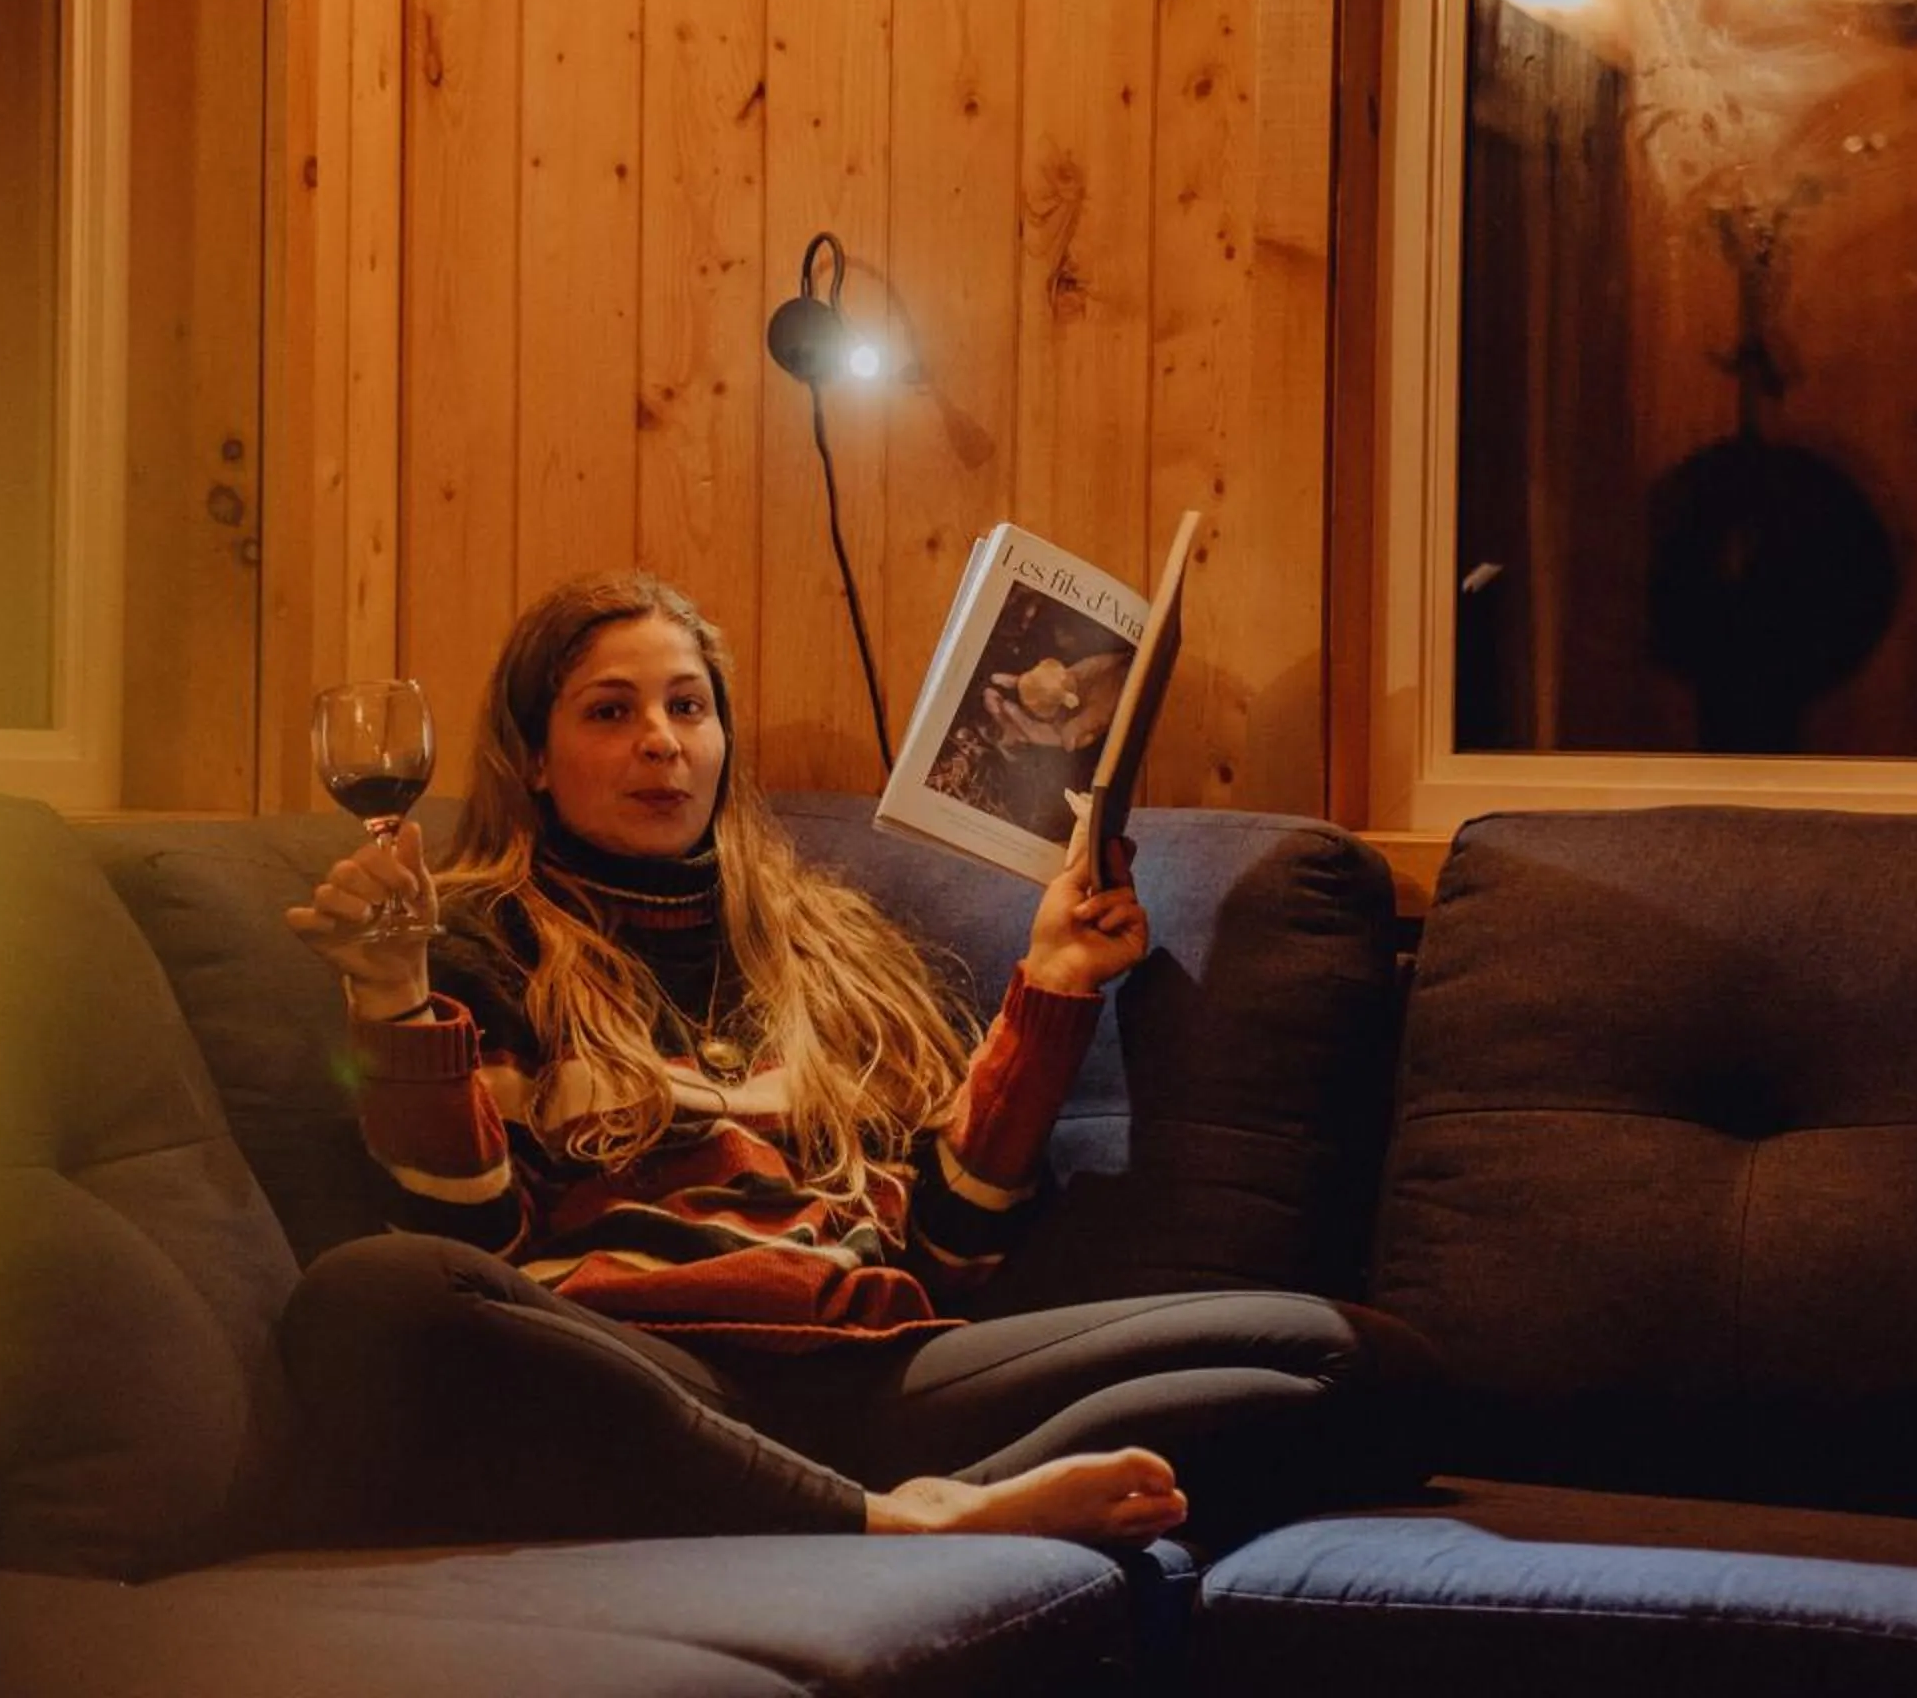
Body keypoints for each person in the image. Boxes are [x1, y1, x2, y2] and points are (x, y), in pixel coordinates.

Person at [280, 572, 1427, 1548]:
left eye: (688, 706)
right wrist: (393, 996)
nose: (661, 742)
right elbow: (476, 1245)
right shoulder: (480, 938)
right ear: (533, 756)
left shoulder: (829, 942)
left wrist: (1059, 982)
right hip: (644, 1372)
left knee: (1349, 1358)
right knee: (373, 1293)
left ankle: (927, 1498)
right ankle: (896, 1526)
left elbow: (952, 1244)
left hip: (883, 1369)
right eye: (609, 712)